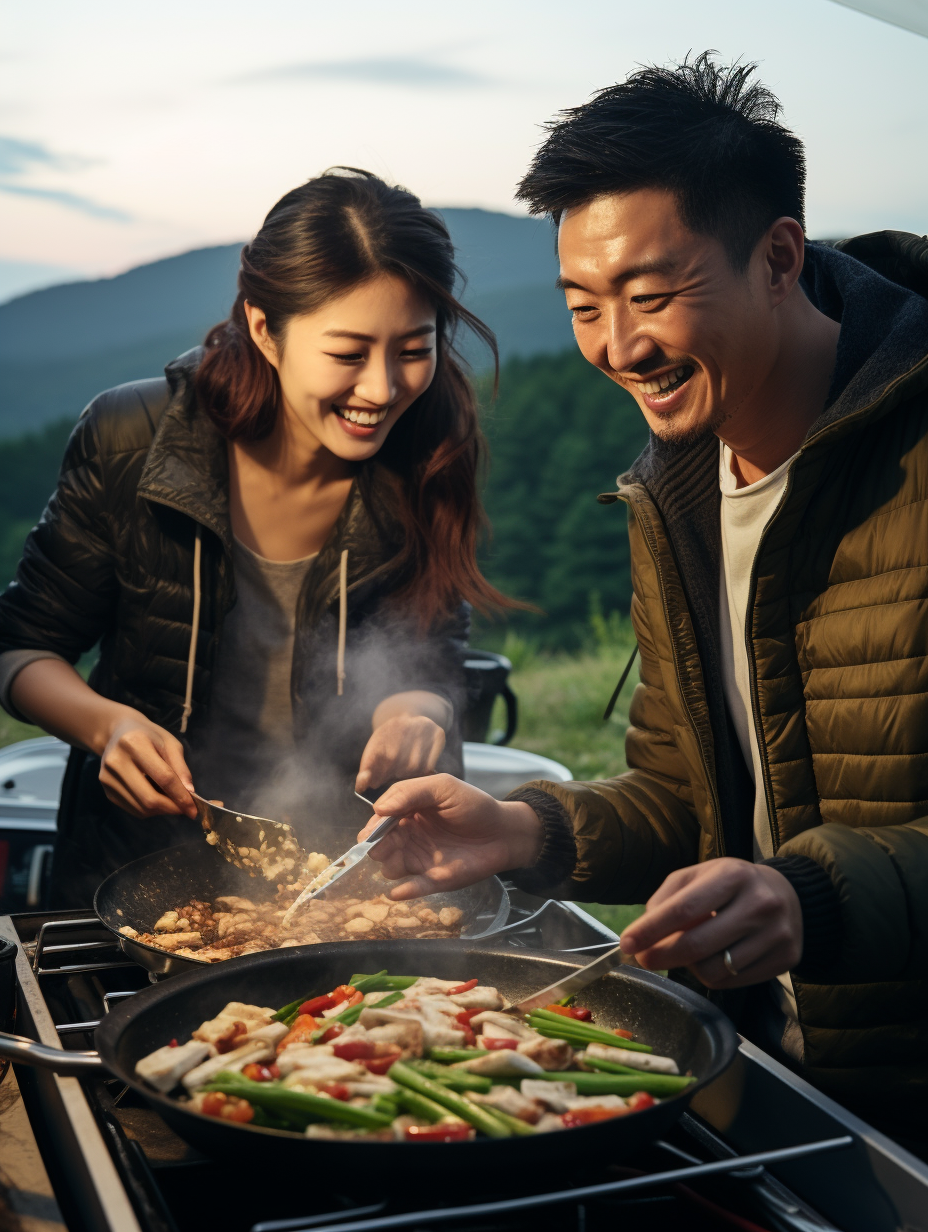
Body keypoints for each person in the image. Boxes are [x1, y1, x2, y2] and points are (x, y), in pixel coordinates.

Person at [356, 56, 928, 1148]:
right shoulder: (674, 491)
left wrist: (814, 895)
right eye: (584, 306)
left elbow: (798, 876)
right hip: (766, 1077)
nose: (618, 346)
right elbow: (683, 795)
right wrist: (520, 829)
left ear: (777, 257)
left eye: (654, 295)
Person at [0, 168, 511, 908]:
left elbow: (430, 646)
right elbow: (21, 646)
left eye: (413, 348)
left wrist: (416, 709)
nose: (383, 389)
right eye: (347, 353)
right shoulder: (131, 437)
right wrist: (107, 728)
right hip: (141, 878)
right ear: (265, 329)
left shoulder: (426, 450)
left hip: (350, 883)